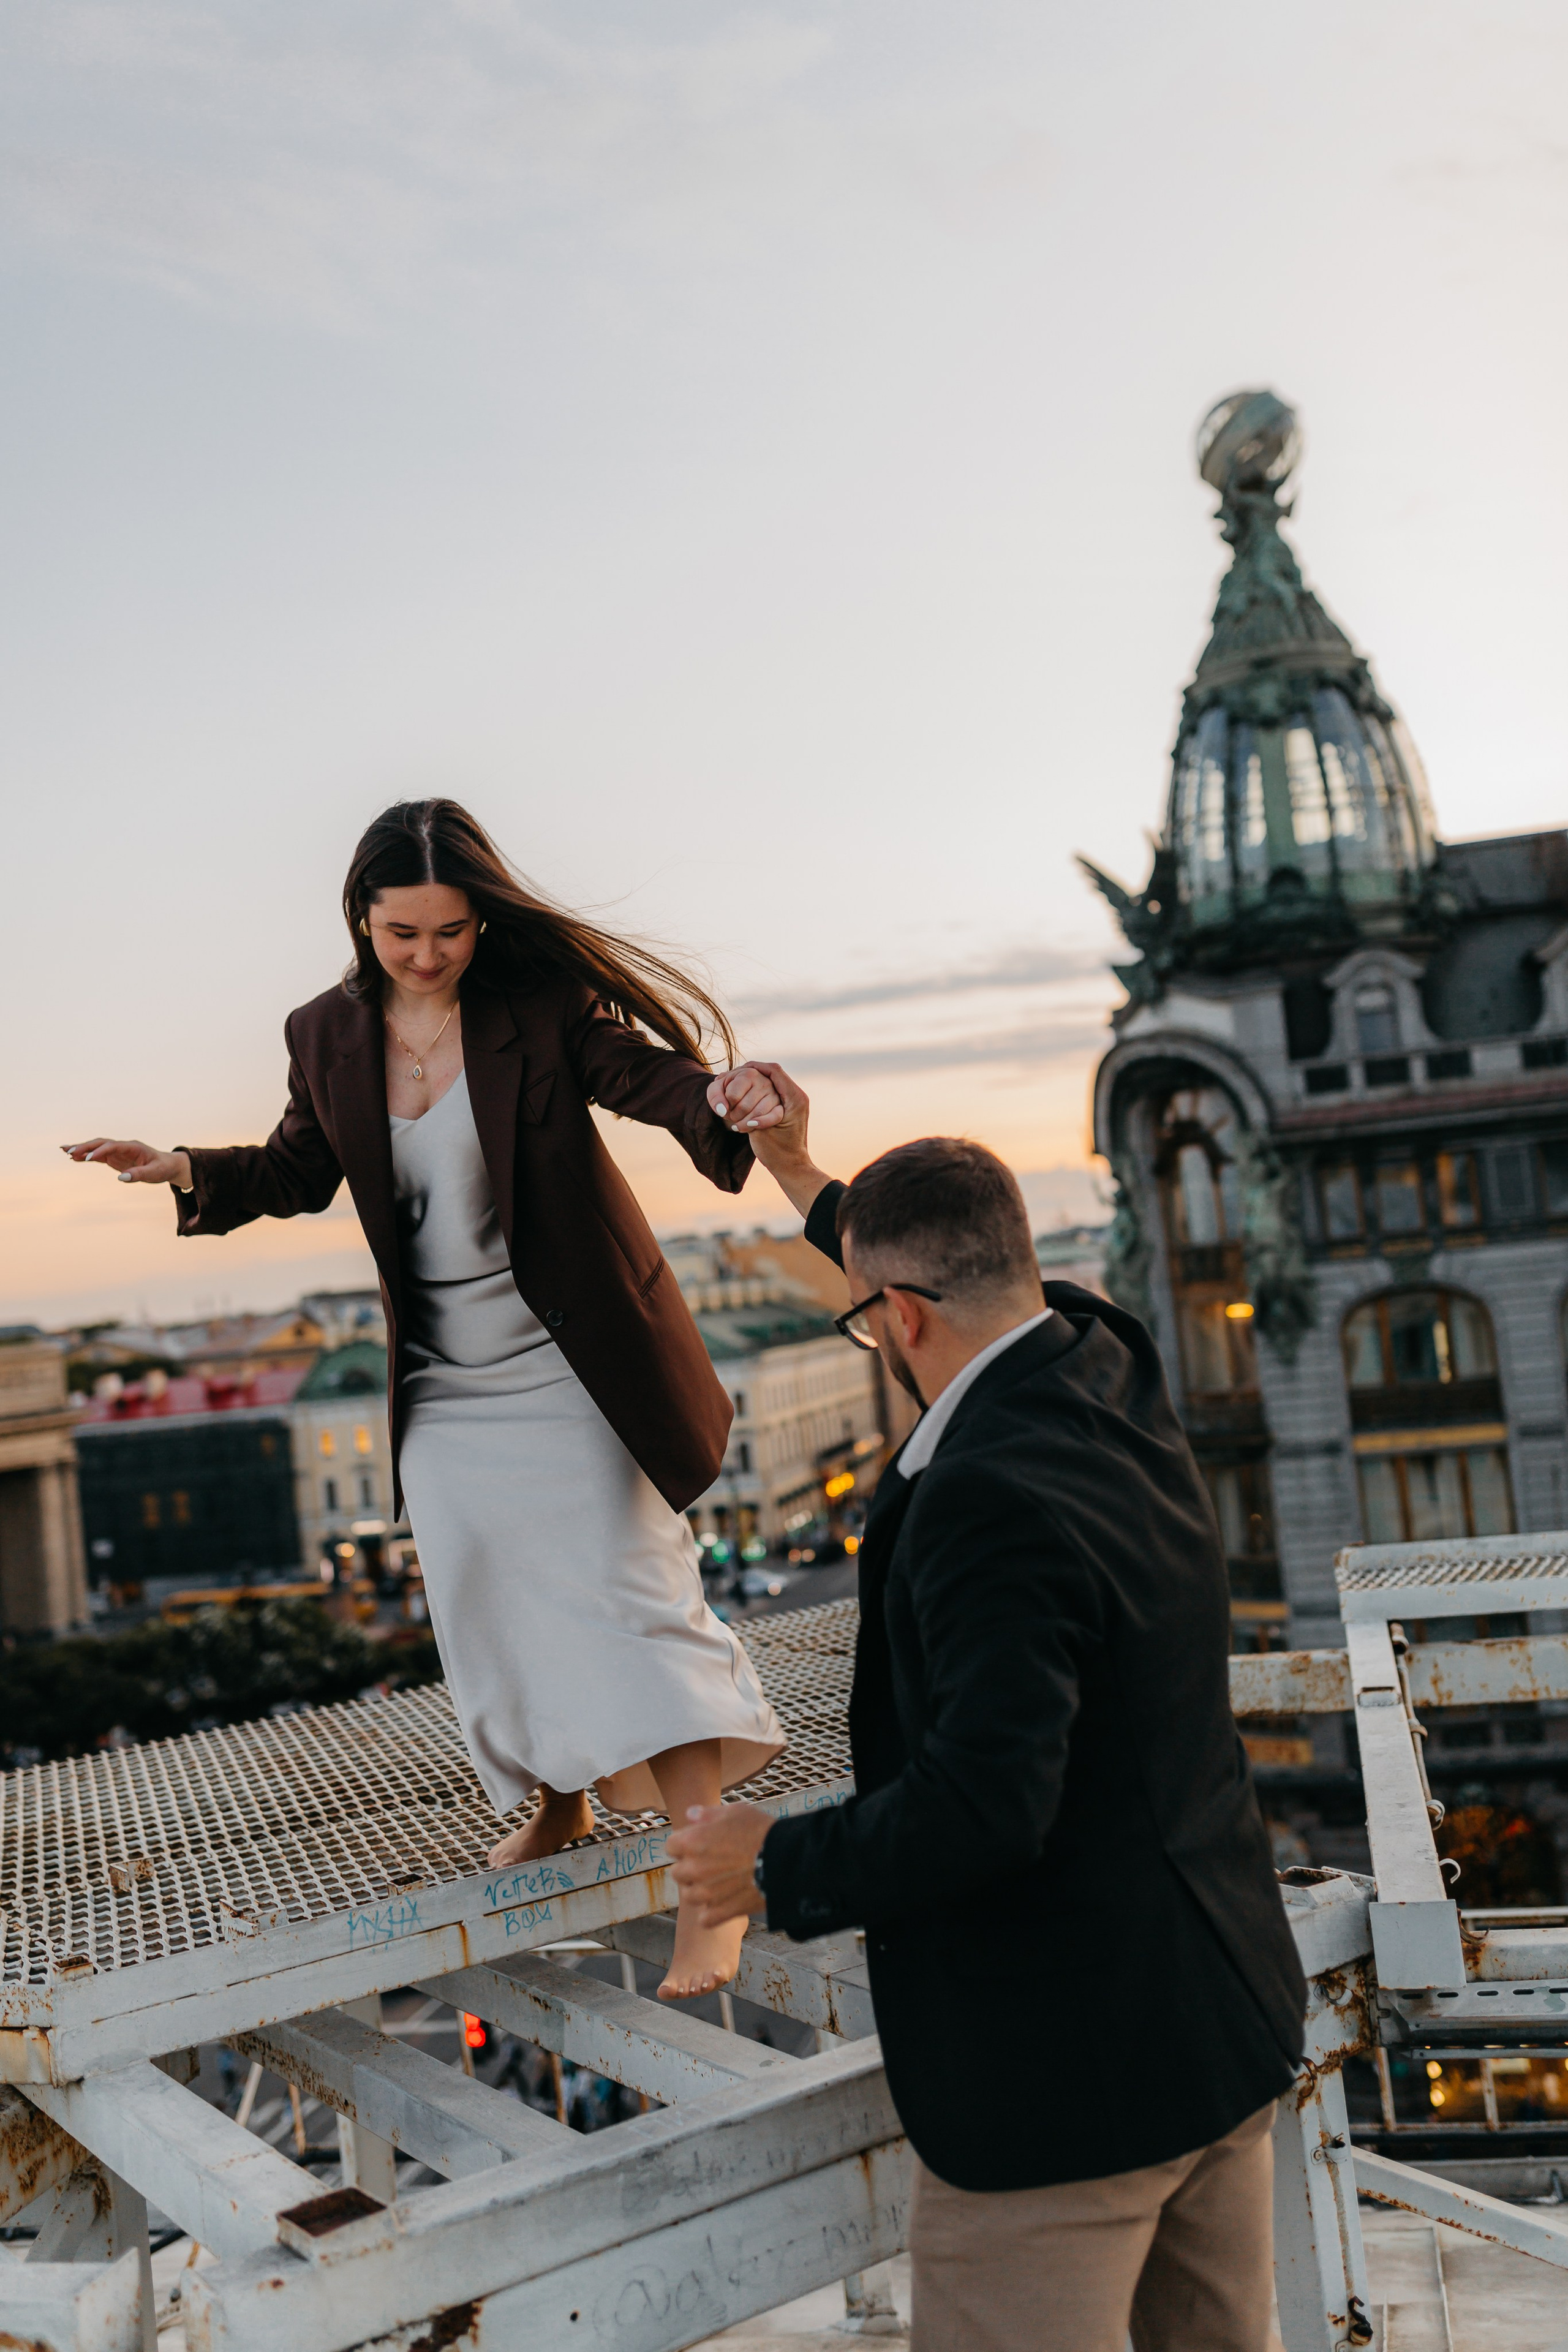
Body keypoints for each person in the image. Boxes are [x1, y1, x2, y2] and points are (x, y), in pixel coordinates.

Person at [65, 798, 786, 1999]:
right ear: (361, 921)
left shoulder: (537, 1007)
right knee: (482, 1590)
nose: (429, 955)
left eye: (451, 931)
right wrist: (185, 1170)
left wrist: (721, 1103)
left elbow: (645, 1080)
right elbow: (300, 1166)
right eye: (404, 934)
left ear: (479, 921)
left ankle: (712, 1877)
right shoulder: (324, 1033)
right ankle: (550, 1802)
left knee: (631, 1593)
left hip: (573, 1353)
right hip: (445, 1375)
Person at [669, 1102, 1308, 2350]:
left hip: (1066, 2096)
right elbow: (937, 1256)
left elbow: (987, 1803)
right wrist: (804, 1174)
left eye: (863, 1314)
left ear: (896, 1318)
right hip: (1215, 2025)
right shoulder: (1105, 1358)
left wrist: (770, 1863)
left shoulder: (982, 1499)